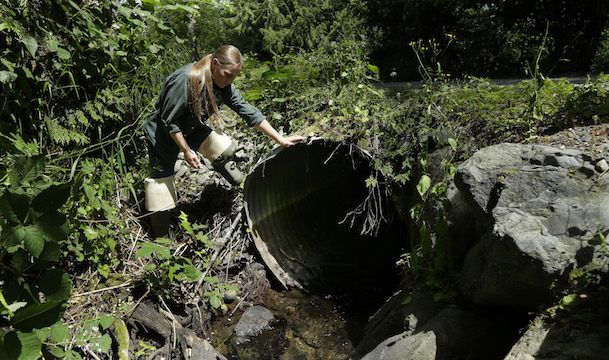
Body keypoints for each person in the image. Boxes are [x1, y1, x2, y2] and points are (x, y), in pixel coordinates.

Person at [143, 45, 304, 236]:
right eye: (228, 75)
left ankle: (235, 189)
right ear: (215, 63)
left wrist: (279, 138)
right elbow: (169, 121)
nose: (230, 81)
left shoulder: (223, 84)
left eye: (234, 77)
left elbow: (247, 111)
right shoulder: (186, 80)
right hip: (163, 134)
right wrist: (186, 150)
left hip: (191, 127)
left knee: (225, 150)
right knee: (160, 191)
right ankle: (161, 238)